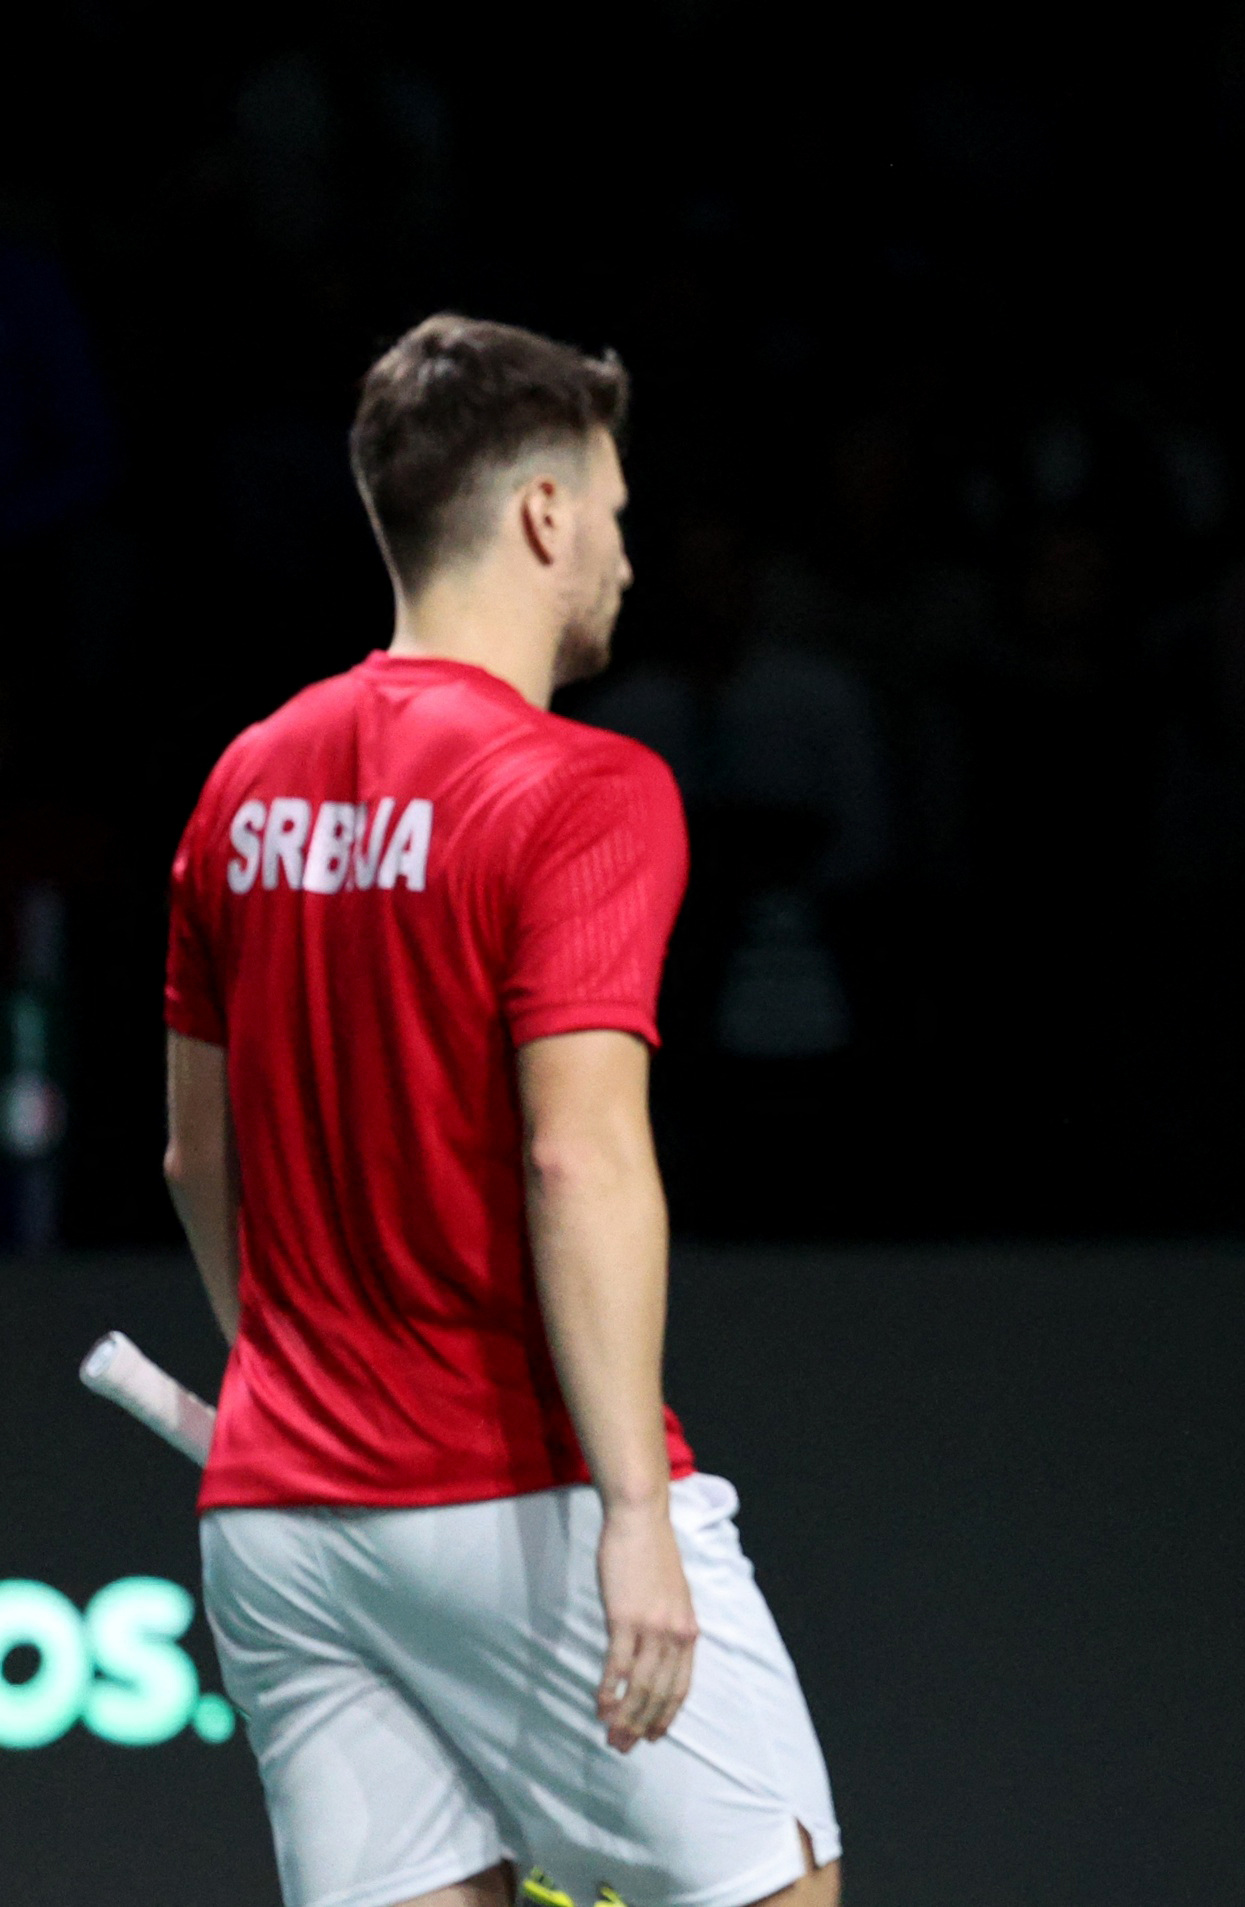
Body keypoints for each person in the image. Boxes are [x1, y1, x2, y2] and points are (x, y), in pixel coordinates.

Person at [161, 314, 843, 1907]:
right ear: (543, 515)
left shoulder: (242, 783)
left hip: (280, 1518)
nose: (620, 549)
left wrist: (288, 1383)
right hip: (510, 1492)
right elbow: (577, 1151)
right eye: (609, 510)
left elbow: (200, 1158)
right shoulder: (582, 789)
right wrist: (632, 1517)